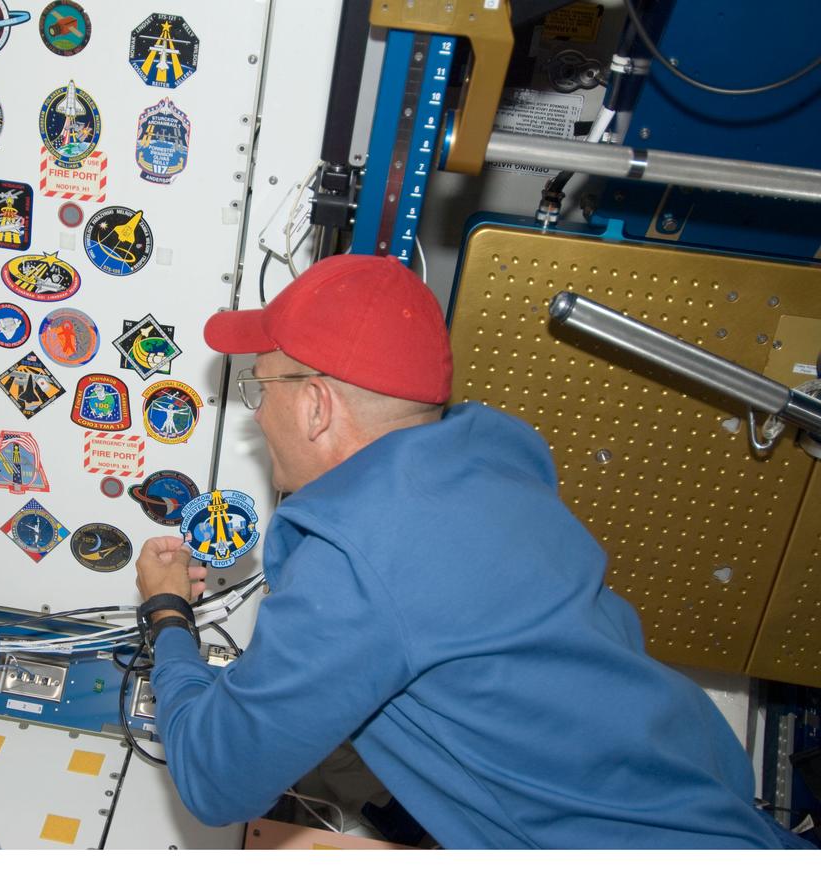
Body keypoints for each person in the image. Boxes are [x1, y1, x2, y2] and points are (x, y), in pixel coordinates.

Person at [134, 254, 811, 849]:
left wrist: (168, 615)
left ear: (316, 406)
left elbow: (215, 779)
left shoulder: (355, 561)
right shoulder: (494, 463)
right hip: (717, 813)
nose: (255, 411)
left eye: (260, 387)